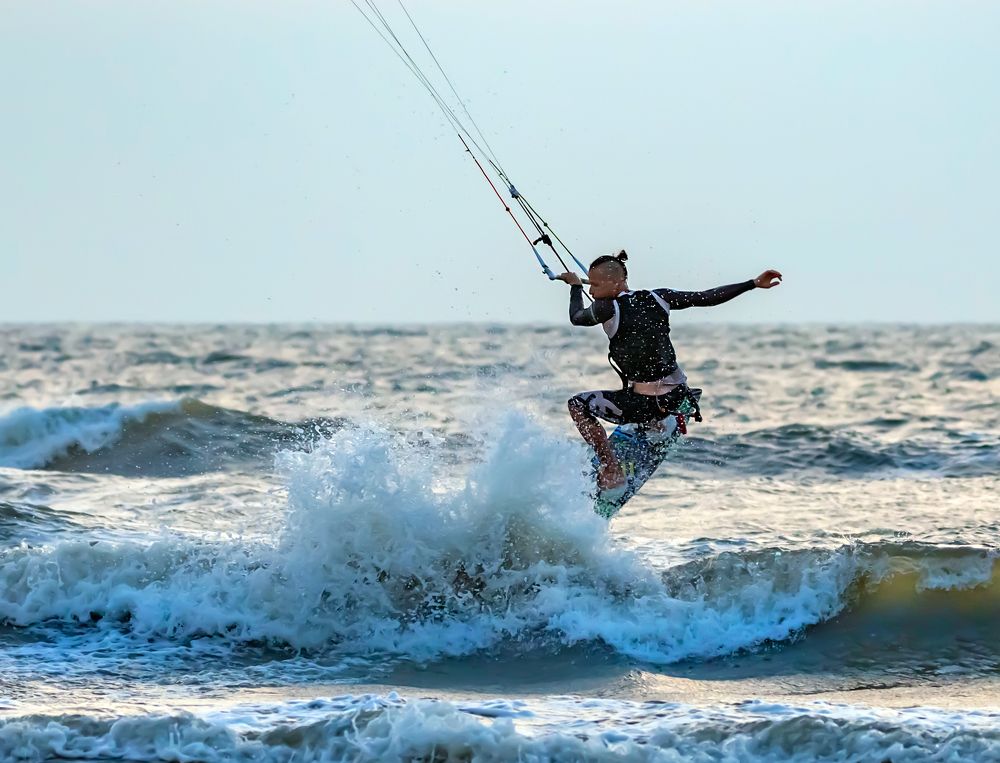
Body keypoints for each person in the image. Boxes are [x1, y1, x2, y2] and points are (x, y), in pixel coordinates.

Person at [556, 251, 782, 490]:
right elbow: (706, 297)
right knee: (643, 386)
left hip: (645, 403)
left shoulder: (606, 308)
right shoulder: (659, 297)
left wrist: (574, 286)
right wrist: (753, 284)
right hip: (677, 395)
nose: (590, 292)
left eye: (594, 285)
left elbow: (577, 317)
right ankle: (660, 423)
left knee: (578, 405)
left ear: (616, 282)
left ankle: (611, 468)